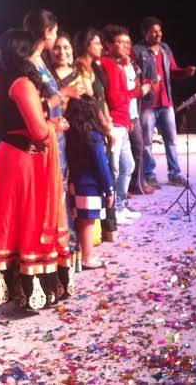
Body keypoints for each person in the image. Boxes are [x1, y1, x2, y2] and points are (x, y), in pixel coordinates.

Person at [0, 29, 72, 310]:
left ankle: (22, 289)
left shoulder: (14, 80)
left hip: (18, 157)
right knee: (27, 220)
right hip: (23, 161)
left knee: (19, 220)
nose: (38, 57)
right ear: (24, 53)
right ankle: (28, 290)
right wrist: (54, 125)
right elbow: (39, 131)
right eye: (34, 51)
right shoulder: (22, 83)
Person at [23, 9, 84, 268]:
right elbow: (35, 107)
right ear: (47, 32)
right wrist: (64, 94)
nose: (56, 37)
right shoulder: (29, 64)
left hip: (57, 137)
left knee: (61, 194)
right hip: (46, 141)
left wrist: (59, 118)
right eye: (55, 32)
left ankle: (65, 251)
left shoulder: (39, 61)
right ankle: (56, 253)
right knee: (53, 197)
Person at [132, 17, 196, 188]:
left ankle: (175, 173)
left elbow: (173, 71)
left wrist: (185, 72)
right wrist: (144, 85)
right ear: (145, 33)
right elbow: (132, 76)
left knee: (172, 140)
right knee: (147, 143)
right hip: (147, 104)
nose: (158, 34)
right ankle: (149, 175)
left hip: (166, 102)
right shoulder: (137, 50)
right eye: (153, 31)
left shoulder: (165, 48)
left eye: (159, 30)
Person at [100, 25, 153, 222]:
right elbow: (115, 99)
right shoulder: (108, 64)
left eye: (128, 43)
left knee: (128, 165)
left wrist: (129, 118)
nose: (126, 46)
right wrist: (138, 92)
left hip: (123, 121)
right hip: (114, 123)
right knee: (114, 169)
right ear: (108, 45)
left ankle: (120, 205)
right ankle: (112, 211)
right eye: (120, 42)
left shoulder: (121, 65)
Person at [73, 28, 118, 241]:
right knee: (100, 174)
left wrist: (108, 122)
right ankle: (101, 229)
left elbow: (102, 99)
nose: (101, 47)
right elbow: (90, 102)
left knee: (110, 172)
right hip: (88, 126)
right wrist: (105, 126)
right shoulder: (78, 69)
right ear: (86, 45)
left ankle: (109, 228)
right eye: (97, 43)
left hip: (101, 123)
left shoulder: (96, 68)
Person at [64, 96, 115, 269]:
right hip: (90, 186)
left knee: (79, 220)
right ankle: (87, 258)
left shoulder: (71, 135)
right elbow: (102, 166)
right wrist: (109, 189)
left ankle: (81, 255)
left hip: (75, 182)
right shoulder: (93, 137)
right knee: (88, 221)